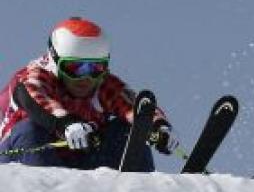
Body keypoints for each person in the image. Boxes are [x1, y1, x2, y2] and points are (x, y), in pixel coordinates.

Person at [0, 17, 179, 171]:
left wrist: (156, 126)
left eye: (95, 68)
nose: (85, 77)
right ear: (55, 61)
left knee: (125, 132)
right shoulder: (36, 76)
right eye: (74, 68)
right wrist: (65, 123)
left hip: (79, 164)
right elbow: (34, 96)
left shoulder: (101, 84)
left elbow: (131, 105)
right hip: (19, 161)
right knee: (31, 130)